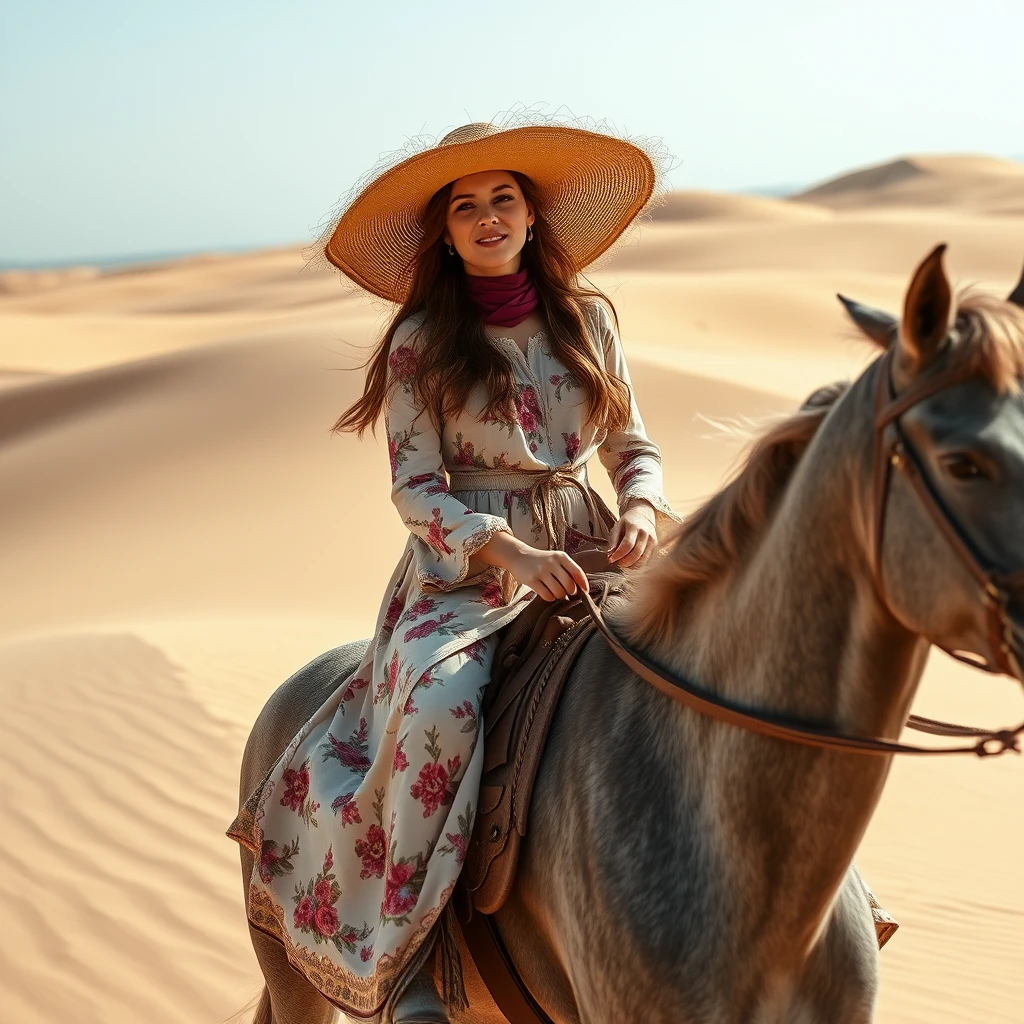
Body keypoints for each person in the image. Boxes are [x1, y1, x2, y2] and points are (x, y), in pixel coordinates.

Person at [228, 118, 682, 1023]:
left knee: (712, 668)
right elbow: (414, 488)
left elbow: (633, 442)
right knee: (441, 710)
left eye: (502, 200)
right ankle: (418, 962)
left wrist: (638, 505)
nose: (486, 218)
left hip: (591, 542)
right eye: (465, 206)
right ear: (444, 230)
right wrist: (507, 552)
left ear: (529, 214)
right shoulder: (421, 340)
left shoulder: (589, 320)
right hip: (466, 573)